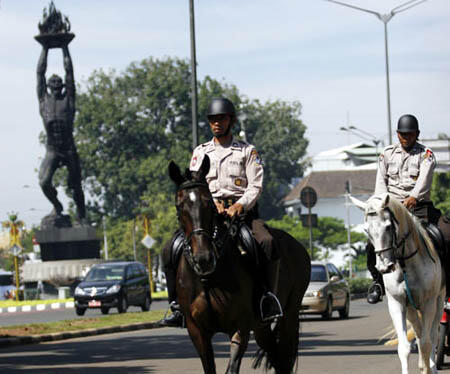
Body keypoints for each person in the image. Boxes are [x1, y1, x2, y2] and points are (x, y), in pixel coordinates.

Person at [160, 97, 283, 326]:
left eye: (221, 119)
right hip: (208, 213)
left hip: (243, 214)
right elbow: (195, 184)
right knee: (170, 249)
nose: (217, 123)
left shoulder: (247, 151)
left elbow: (255, 185)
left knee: (266, 242)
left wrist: (240, 205)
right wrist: (213, 203)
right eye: (213, 120)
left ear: (231, 121)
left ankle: (267, 297)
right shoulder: (200, 152)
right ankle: (176, 305)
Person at [366, 114, 446, 303]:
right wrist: (383, 204)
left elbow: (424, 181)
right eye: (402, 134)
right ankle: (377, 282)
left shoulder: (426, 155)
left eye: (409, 134)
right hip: (392, 209)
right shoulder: (386, 154)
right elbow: (380, 184)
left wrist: (413, 197)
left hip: (419, 208)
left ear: (417, 134)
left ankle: (446, 284)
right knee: (372, 244)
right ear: (397, 134)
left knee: (445, 234)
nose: (405, 138)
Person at [37, 44, 86, 225]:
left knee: (76, 185)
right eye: (53, 84)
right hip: (52, 150)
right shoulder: (44, 101)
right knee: (44, 182)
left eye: (60, 84)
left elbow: (70, 72)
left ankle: (82, 217)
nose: (56, 86)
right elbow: (40, 73)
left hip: (69, 148)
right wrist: (45, 48)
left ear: (63, 86)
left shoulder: (69, 100)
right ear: (48, 87)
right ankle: (57, 206)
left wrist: (65, 47)